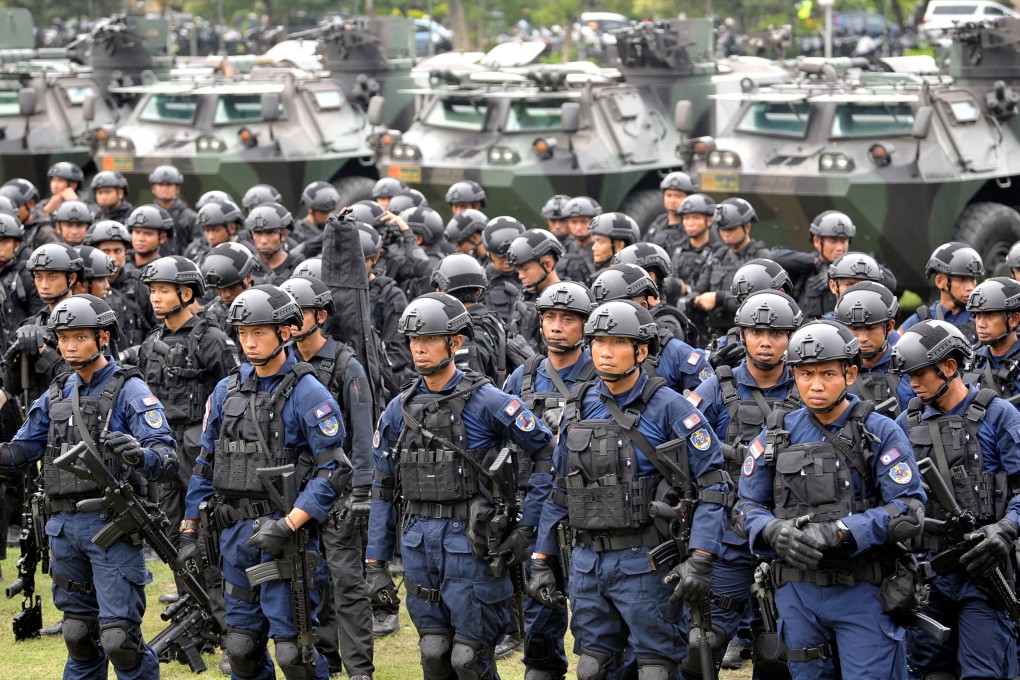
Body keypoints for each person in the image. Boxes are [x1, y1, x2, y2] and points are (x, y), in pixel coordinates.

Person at [530, 299, 729, 680]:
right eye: (599, 342)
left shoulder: (672, 408)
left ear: (641, 351)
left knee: (655, 670)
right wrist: (541, 560)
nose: (605, 352)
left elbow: (713, 486)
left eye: (618, 343)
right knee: (591, 668)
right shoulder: (578, 408)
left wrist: (702, 557)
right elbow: (559, 491)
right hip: (587, 563)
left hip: (647, 563)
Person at [365, 293, 554, 680]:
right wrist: (375, 563)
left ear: (455, 342)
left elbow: (546, 452)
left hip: (473, 543)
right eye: (413, 341)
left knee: (468, 659)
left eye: (430, 339)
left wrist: (526, 526)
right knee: (434, 654)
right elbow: (382, 486)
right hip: (418, 543)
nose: (419, 348)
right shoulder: (398, 410)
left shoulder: (489, 401)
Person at [0, 294, 179, 680]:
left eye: (79, 337)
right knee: (78, 634)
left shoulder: (129, 389)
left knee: (120, 641)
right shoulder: (56, 393)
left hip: (111, 526)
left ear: (102, 338)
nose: (69, 346)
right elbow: (19, 451)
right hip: (64, 528)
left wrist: (138, 455)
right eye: (63, 338)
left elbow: (166, 458)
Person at [735, 320, 926, 680]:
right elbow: (745, 506)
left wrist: (841, 531)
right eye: (806, 374)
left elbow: (908, 509)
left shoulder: (880, 430)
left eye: (827, 374)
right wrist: (772, 529)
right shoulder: (776, 434)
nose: (816, 385)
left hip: (863, 591)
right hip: (797, 593)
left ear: (850, 373)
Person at [181, 284, 352, 680]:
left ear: (285, 331)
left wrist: (290, 523)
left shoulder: (310, 393)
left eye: (259, 332)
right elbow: (206, 462)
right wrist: (189, 529)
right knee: (240, 649)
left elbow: (334, 469)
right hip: (233, 535)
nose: (249, 342)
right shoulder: (225, 390)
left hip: (286, 536)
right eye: (243, 333)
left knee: (294, 654)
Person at [892, 320, 1020, 680]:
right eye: (908, 374)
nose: (912, 383)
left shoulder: (998, 415)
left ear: (949, 366)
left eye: (919, 373)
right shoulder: (904, 423)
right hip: (927, 573)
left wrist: (1006, 528)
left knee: (984, 673)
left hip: (984, 571)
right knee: (931, 672)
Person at [686, 291, 802, 676]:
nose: (765, 342)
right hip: (728, 532)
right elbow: (682, 442)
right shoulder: (717, 388)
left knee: (778, 651)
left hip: (787, 528)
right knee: (705, 643)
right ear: (742, 337)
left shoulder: (808, 386)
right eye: (756, 333)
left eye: (776, 333)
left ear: (791, 337)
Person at [137, 255, 238, 665]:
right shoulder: (149, 343)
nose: (156, 298)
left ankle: (234, 634)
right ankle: (193, 625)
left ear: (187, 292)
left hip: (203, 451)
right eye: (152, 291)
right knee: (173, 540)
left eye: (163, 290)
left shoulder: (213, 340)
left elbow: (235, 397)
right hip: (163, 449)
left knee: (209, 541)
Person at [282, 275, 375, 680]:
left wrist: (361, 494)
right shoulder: (283, 363)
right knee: (306, 580)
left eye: (298, 313)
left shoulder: (346, 365)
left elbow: (362, 435)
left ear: (320, 316)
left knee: (348, 586)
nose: (291, 322)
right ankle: (325, 658)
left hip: (339, 492)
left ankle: (359, 670)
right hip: (299, 491)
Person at [503, 281, 596, 680]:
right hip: (535, 508)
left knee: (597, 627)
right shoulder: (521, 379)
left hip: (592, 511)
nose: (557, 327)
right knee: (539, 614)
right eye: (549, 318)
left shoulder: (603, 372)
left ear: (585, 325)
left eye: (568, 319)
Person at [591, 263, 714, 394]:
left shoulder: (678, 354)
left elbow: (709, 405)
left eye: (616, 308)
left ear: (643, 306)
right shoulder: (589, 353)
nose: (605, 317)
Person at [4, 243, 82, 402]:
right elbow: (11, 388)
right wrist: (14, 362)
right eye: (39, 277)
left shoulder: (89, 321)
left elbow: (86, 381)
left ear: (71, 278)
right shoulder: (31, 324)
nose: (44, 285)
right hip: (37, 419)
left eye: (52, 277)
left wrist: (45, 351)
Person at [689, 198, 770, 337]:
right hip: (714, 333)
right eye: (722, 229)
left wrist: (719, 298)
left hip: (747, 334)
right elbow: (700, 287)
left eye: (731, 229)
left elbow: (762, 302)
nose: (725, 234)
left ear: (747, 227)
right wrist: (693, 299)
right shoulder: (718, 256)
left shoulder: (761, 258)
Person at [833, 281, 913, 417]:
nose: (862, 338)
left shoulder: (912, 369)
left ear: (889, 326)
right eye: (854, 329)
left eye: (871, 328)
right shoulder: (832, 371)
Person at [84, 220, 156, 348]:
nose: (112, 258)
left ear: (126, 252)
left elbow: (158, 326)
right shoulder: (83, 285)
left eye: (117, 251)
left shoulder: (139, 284)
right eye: (106, 252)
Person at [900, 242, 983, 343]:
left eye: (972, 279)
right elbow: (894, 349)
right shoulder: (922, 319)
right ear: (940, 281)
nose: (970, 287)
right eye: (961, 280)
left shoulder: (982, 316)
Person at [507, 230, 565, 353]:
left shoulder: (568, 301)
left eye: (525, 269)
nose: (520, 276)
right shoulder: (524, 296)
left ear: (548, 265)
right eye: (519, 270)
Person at [963, 276, 1020, 397]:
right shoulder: (967, 358)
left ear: (1014, 319)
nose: (981, 324)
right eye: (977, 315)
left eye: (990, 315)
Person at [198, 241, 258, 330]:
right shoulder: (207, 314)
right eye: (218, 289)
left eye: (231, 287)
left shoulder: (265, 308)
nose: (225, 295)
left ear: (248, 277)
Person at [481, 217, 525, 321]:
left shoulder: (531, 277)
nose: (508, 262)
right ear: (489, 254)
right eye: (501, 257)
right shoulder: (480, 281)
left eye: (512, 256)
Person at [644, 171, 699, 254]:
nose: (672, 201)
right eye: (668, 195)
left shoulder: (695, 225)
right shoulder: (659, 222)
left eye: (678, 196)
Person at [148, 165, 197, 256]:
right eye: (160, 184)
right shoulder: (146, 216)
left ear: (177, 189)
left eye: (169, 185)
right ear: (153, 189)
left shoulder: (190, 217)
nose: (164, 188)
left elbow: (198, 245)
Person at [1, 178, 58, 258]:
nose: (11, 211)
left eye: (16, 207)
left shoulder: (44, 232)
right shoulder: (4, 227)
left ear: (30, 204)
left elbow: (55, 260)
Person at [184, 198, 247, 266]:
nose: (211, 237)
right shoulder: (194, 250)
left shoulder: (245, 251)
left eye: (216, 230)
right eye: (207, 230)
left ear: (231, 228)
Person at [558, 196, 600, 284]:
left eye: (583, 221)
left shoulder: (603, 248)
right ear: (567, 223)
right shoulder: (562, 250)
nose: (579, 227)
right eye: (574, 222)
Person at [589, 212, 641, 283]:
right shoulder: (602, 277)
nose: (593, 248)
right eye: (594, 241)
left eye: (600, 241)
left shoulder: (631, 281)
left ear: (619, 246)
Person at [126, 205, 175, 272]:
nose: (140, 238)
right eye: (137, 232)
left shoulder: (165, 272)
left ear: (162, 238)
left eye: (148, 234)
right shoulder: (120, 264)